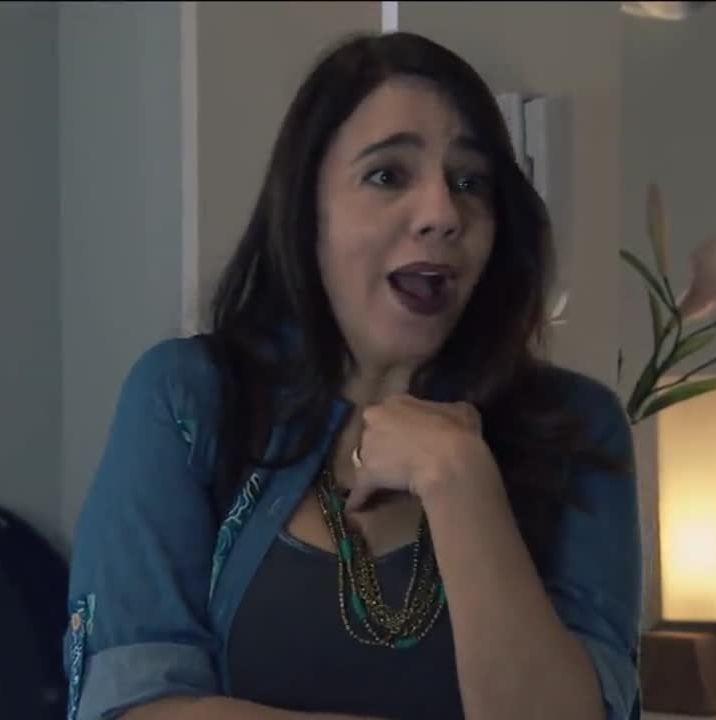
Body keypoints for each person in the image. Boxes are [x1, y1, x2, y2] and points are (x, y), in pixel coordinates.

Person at [64, 30, 643, 720]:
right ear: (308, 209)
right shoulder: (190, 399)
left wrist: (459, 481)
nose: (443, 214)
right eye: (388, 175)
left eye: (470, 182)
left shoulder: (577, 430)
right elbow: (136, 705)